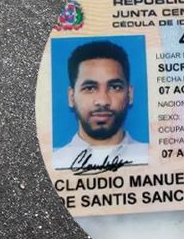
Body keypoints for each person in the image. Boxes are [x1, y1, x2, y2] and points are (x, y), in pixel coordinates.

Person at [53, 40, 148, 170]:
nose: (103, 101)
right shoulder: (55, 163)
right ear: (71, 97)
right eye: (89, 88)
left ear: (130, 94)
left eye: (115, 87)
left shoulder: (155, 159)